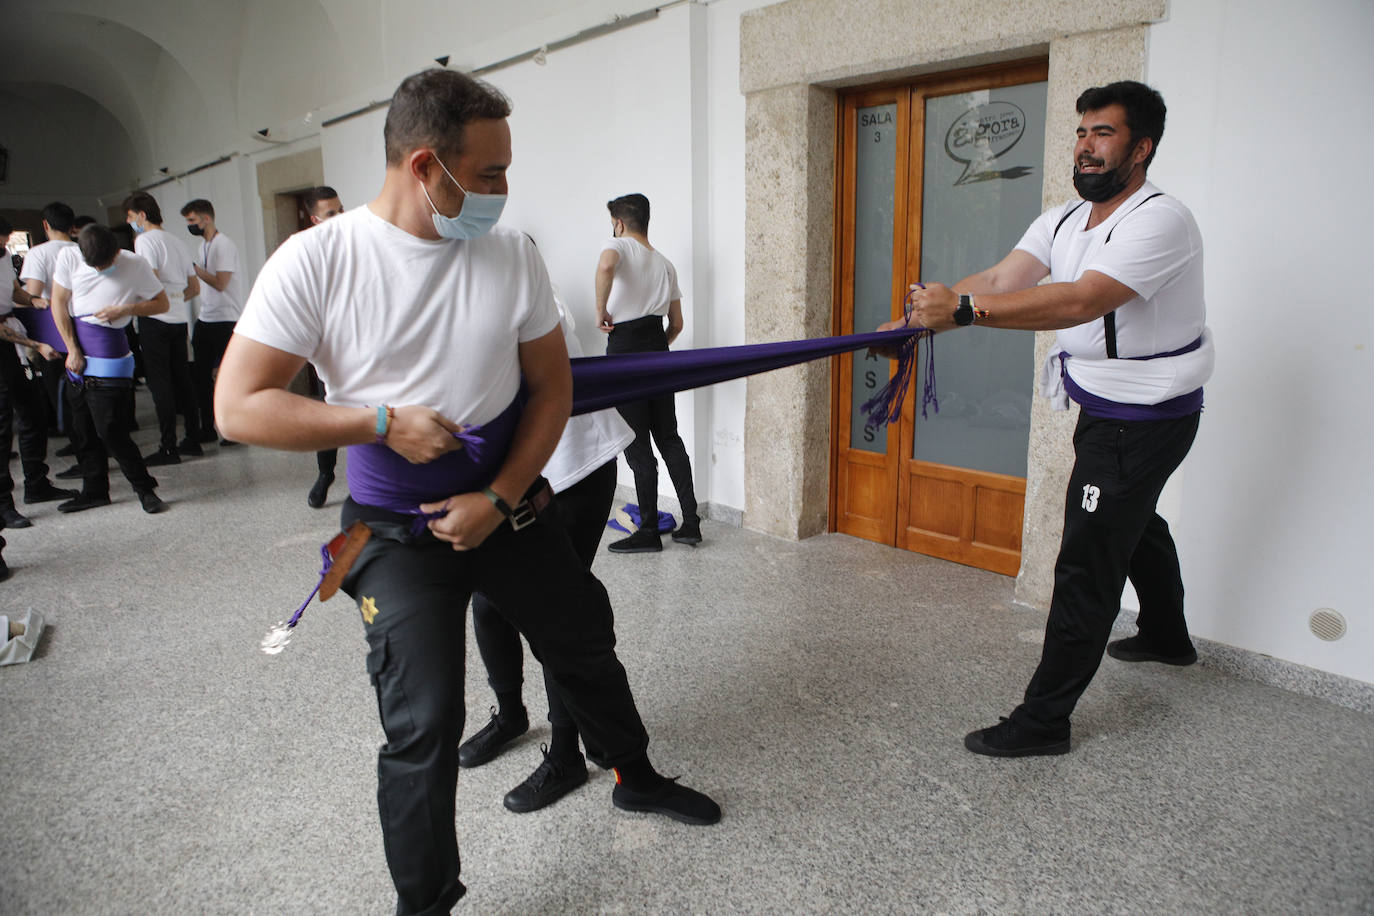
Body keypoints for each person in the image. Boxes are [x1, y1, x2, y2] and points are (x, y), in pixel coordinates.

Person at [215, 69, 720, 914]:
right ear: (424, 166)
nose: (503, 191)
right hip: (394, 527)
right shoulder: (319, 260)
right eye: (488, 175)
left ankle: (635, 774)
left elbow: (551, 389)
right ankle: (427, 902)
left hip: (507, 506)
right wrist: (377, 423)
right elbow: (240, 405)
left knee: (584, 642)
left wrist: (505, 494)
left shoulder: (508, 253)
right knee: (425, 721)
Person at [882, 81, 1213, 757]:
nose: (1086, 148)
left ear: (1141, 147)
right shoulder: (1063, 220)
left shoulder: (1160, 221)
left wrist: (963, 314)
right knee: (1132, 518)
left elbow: (1081, 302)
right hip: (1104, 405)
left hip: (1146, 415)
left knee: (1087, 560)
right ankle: (1168, 637)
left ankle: (1043, 722)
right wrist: (919, 322)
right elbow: (1005, 279)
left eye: (1104, 134)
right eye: (1082, 133)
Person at [459, 286, 635, 815]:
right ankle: (510, 714)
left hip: (572, 468)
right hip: (506, 480)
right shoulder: (457, 294)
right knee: (488, 601)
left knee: (554, 613)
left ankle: (566, 754)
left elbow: (515, 387)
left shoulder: (532, 298)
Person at [595, 193, 701, 552]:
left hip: (626, 352)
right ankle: (691, 524)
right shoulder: (666, 264)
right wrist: (658, 346)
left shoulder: (618, 246)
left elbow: (606, 266)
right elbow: (678, 324)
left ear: (620, 223)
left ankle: (649, 531)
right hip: (659, 350)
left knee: (638, 445)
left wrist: (600, 311)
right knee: (669, 437)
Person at [50, 224, 171, 514]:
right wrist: (72, 348)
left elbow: (162, 304)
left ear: (117, 251)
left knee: (111, 430)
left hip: (110, 354)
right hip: (78, 354)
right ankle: (94, 490)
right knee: (82, 429)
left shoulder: (135, 263)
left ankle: (145, 489)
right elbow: (59, 302)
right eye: (96, 266)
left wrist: (127, 309)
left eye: (107, 264)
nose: (102, 269)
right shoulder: (68, 258)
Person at [1, 216, 75, 527]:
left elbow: (13, 291)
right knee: (3, 428)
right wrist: (36, 343)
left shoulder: (4, 256)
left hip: (13, 341)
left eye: (5, 242)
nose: (3, 248)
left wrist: (32, 299)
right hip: (5, 343)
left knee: (32, 414)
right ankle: (4, 504)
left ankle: (36, 484)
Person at [125, 192, 204, 465]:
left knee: (160, 384)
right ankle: (193, 439)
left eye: (130, 216)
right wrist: (173, 302)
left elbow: (150, 281)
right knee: (183, 380)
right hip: (178, 319)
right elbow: (194, 287)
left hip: (154, 320)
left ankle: (168, 447)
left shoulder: (144, 241)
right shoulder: (177, 241)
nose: (129, 221)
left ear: (141, 215)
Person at [180, 198, 242, 444]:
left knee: (228, 377)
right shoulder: (203, 245)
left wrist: (194, 269)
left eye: (192, 221)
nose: (190, 225)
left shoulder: (224, 245)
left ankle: (234, 430)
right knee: (200, 377)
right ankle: (207, 427)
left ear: (206, 219)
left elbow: (220, 283)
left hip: (226, 319)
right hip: (205, 318)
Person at [18, 202, 81, 445]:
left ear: (45, 225)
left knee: (59, 388)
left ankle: (79, 446)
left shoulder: (39, 253)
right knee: (80, 383)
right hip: (82, 322)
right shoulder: (81, 249)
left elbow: (33, 293)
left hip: (53, 326)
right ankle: (89, 443)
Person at [300, 186, 344, 508]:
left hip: (365, 341)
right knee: (331, 414)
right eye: (331, 214)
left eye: (342, 210)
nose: (340, 218)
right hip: (330, 346)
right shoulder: (306, 256)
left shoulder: (357, 243)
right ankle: (325, 475)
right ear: (315, 219)